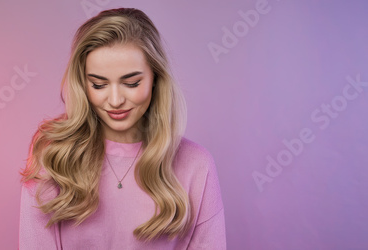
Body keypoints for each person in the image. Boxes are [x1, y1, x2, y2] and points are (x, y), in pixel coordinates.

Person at [19, 8, 226, 249]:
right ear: (83, 84)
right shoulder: (53, 155)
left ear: (155, 79)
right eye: (99, 84)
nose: (115, 100)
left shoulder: (197, 165)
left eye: (131, 83)